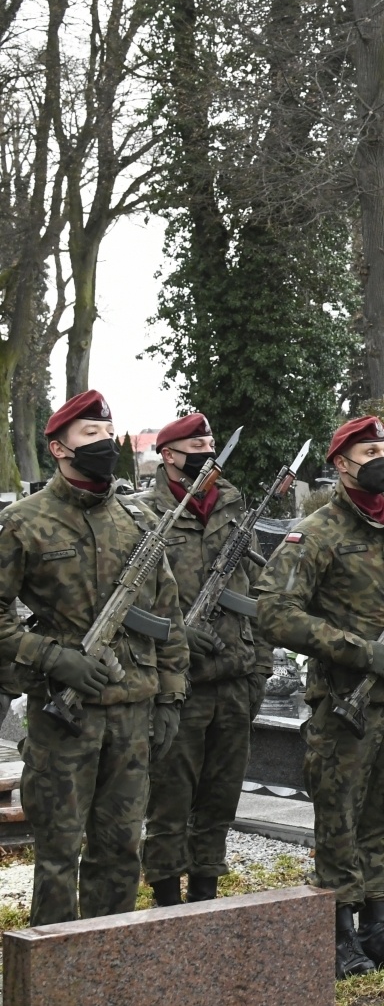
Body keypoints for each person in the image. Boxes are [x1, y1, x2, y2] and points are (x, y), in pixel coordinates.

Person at [256, 415, 384, 977]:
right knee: (338, 821)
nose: (383, 457)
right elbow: (273, 611)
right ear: (342, 464)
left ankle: (378, 927)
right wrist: (356, 649)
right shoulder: (317, 531)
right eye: (370, 450)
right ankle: (338, 933)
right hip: (347, 705)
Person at [0, 391, 188, 926]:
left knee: (121, 848)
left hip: (132, 711)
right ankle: (55, 974)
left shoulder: (138, 517)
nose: (104, 445)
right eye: (90, 436)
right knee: (59, 855)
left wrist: (171, 695)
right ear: (59, 448)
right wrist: (53, 657)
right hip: (65, 714)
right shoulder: (24, 521)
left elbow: (167, 614)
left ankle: (112, 964)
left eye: (108, 435)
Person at [140, 413, 270, 907]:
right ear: (169, 455)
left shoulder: (233, 503)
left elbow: (257, 592)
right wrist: (177, 632)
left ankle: (206, 897)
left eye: (211, 442)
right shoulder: (145, 512)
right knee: (170, 801)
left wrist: (259, 668)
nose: (206, 450)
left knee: (220, 800)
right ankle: (168, 904)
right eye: (195, 443)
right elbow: (134, 598)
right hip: (180, 683)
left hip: (235, 681)